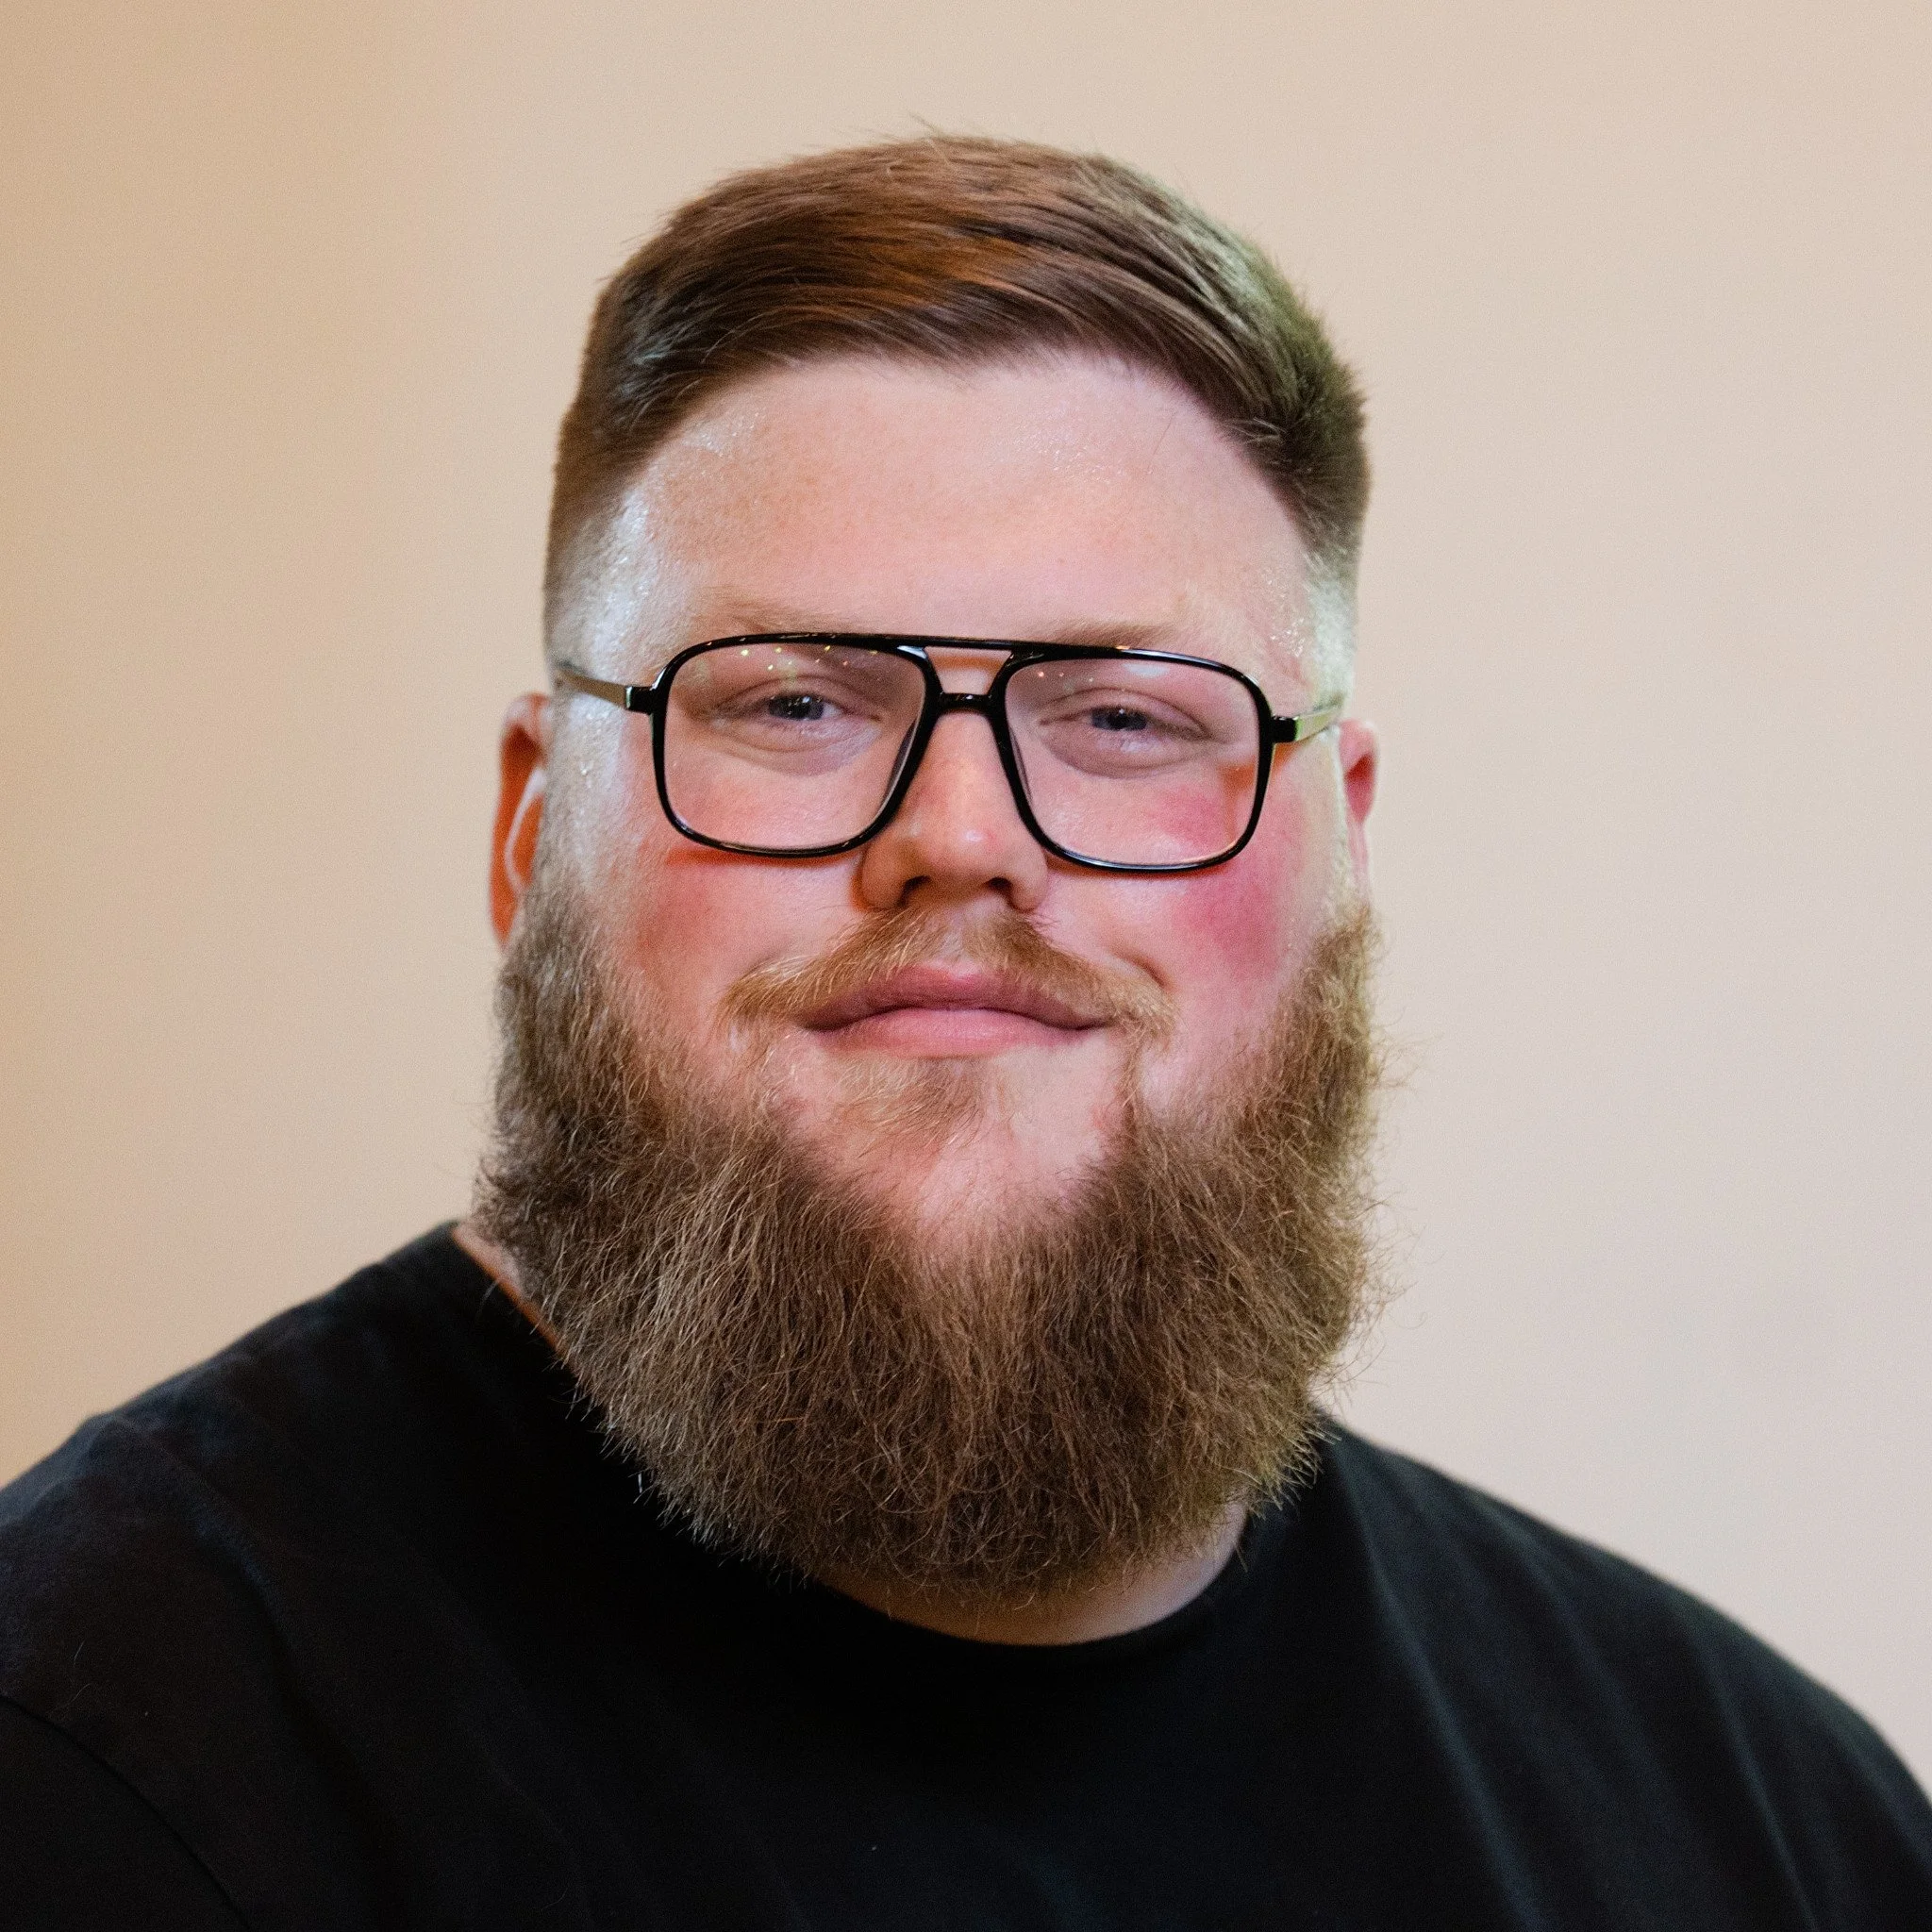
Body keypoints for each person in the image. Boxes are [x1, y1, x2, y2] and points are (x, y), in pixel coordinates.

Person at [2, 136, 1926, 1930]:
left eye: (1125, 717)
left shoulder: (1770, 1836)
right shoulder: (94, 1754)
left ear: (1341, 843)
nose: (959, 838)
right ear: (530, 827)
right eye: (790, 705)